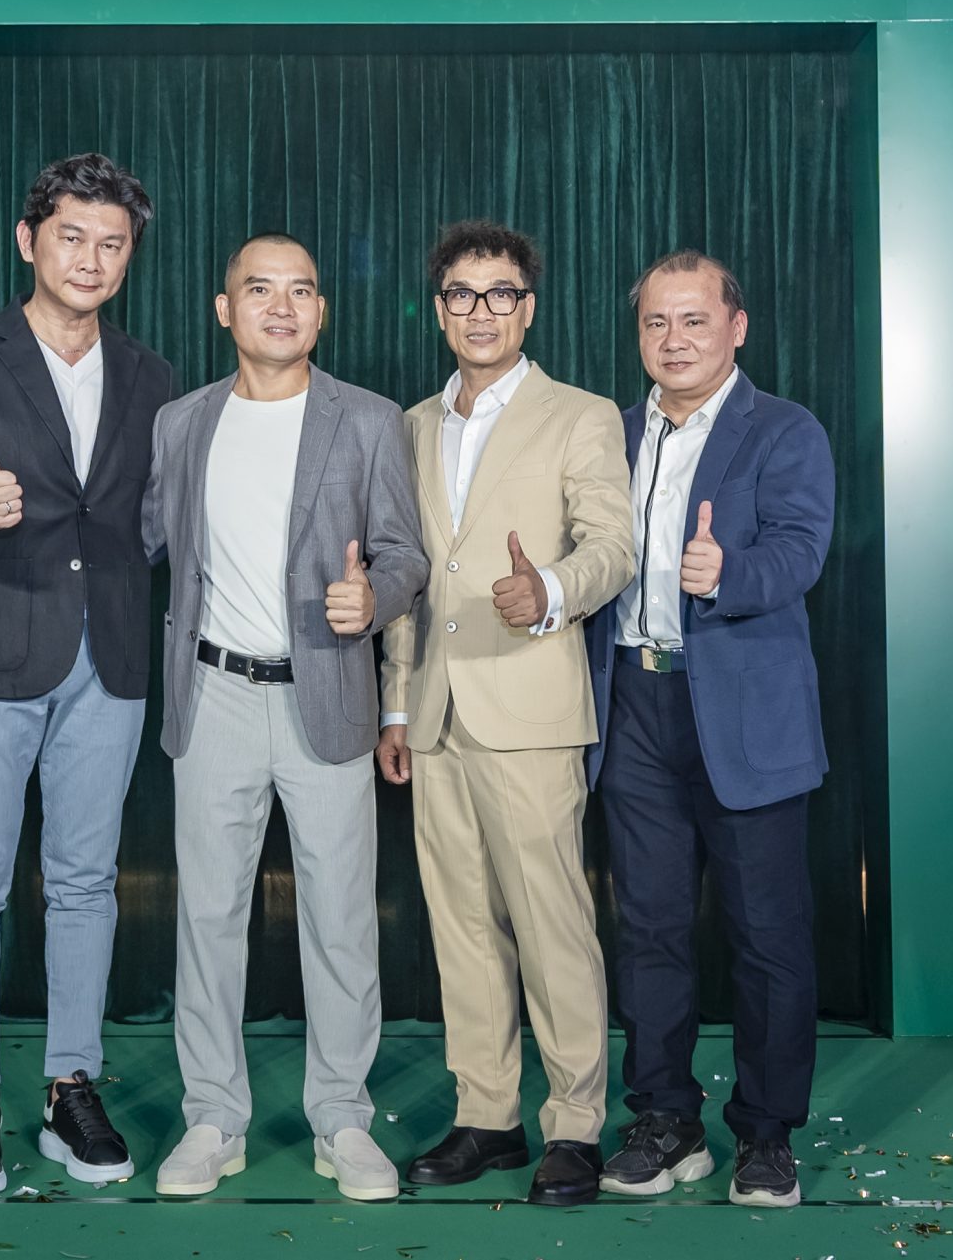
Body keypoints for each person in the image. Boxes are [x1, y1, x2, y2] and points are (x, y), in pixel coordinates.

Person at [0, 153, 174, 1195]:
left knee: (86, 882)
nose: (91, 258)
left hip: (112, 659)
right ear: (29, 240)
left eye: (112, 242)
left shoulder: (151, 375)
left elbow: (153, 520)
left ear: (129, 255)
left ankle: (69, 1087)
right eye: (72, 236)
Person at [140, 234, 428, 1203]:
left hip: (327, 694)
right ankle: (212, 1117)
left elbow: (404, 554)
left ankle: (342, 1118)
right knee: (207, 917)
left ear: (320, 311)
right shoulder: (181, 422)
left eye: (301, 290)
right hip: (213, 693)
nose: (281, 305)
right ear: (225, 309)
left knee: (341, 919)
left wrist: (374, 597)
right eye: (259, 289)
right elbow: (142, 538)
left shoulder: (368, 419)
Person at [376, 220, 636, 1208]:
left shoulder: (580, 415)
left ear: (527, 308)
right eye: (460, 293)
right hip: (436, 713)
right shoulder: (409, 424)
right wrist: (396, 704)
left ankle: (574, 1124)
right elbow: (410, 577)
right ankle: (487, 1114)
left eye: (500, 294)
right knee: (462, 926)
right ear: (438, 308)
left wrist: (552, 590)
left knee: (552, 924)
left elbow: (612, 545)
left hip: (529, 705)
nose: (479, 311)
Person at [583, 250, 833, 1210]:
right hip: (633, 705)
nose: (674, 339)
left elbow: (803, 549)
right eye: (656, 322)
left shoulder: (785, 429)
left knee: (767, 935)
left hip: (744, 716)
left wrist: (728, 572)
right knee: (648, 926)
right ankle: (665, 1118)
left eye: (694, 319)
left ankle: (767, 1134)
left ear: (736, 327)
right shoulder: (609, 432)